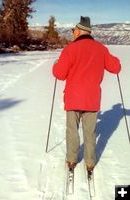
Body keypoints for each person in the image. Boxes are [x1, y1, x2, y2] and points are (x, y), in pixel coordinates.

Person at [52, 16, 121, 174]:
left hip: (73, 98)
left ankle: (71, 160)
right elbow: (115, 67)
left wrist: (56, 65)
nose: (73, 33)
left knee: (72, 130)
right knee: (90, 132)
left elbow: (59, 74)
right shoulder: (101, 48)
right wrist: (115, 60)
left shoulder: (70, 49)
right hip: (91, 99)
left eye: (73, 31)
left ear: (78, 31)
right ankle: (90, 162)